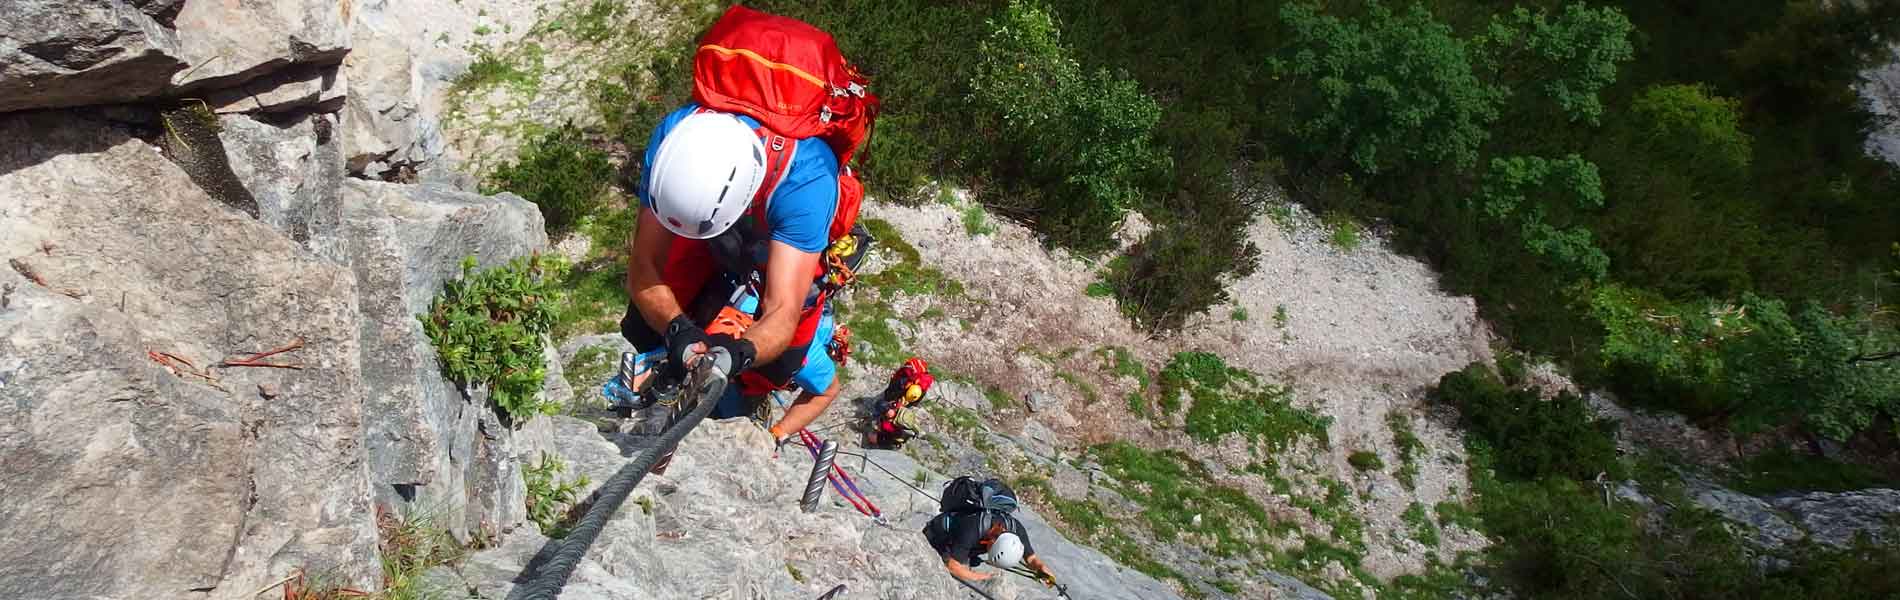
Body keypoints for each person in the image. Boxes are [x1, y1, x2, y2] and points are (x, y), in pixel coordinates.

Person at [615, 6, 879, 451]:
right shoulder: (675, 138)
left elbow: (782, 311)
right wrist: (678, 330)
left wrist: (737, 354)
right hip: (718, 208)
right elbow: (645, 265)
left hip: (779, 225)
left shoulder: (807, 179)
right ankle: (651, 381)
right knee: (645, 323)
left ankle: (733, 409)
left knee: (779, 363)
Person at [923, 477, 1058, 587]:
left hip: (968, 542)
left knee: (967, 566)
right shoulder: (973, 528)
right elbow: (953, 565)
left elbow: (1031, 559)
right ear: (992, 543)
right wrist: (981, 578)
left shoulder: (1016, 529)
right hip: (938, 535)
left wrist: (1042, 569)